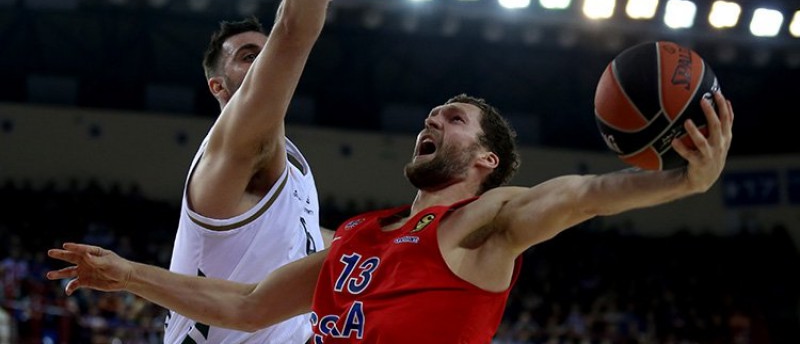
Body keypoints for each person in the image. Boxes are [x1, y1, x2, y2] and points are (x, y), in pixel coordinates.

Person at [47, 91, 734, 343]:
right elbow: (252, 305)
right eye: (433, 114)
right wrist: (128, 274)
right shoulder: (360, 236)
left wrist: (681, 182)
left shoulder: (484, 222)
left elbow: (580, 195)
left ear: (487, 161)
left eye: (455, 119)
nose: (433, 118)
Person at [152, 0, 358, 342]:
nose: (265, 63)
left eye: (266, 57)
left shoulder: (290, 166)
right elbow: (292, 32)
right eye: (250, 57)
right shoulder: (237, 144)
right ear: (218, 87)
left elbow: (302, 238)